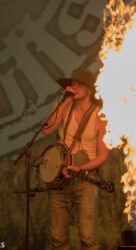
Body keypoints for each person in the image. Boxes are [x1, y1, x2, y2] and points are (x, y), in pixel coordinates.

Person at [42, 68, 109, 250]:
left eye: (79, 84)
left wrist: (82, 168)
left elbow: (103, 154)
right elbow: (47, 129)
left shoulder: (100, 116)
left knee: (87, 237)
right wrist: (66, 101)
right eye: (72, 84)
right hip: (60, 178)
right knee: (58, 238)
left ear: (89, 89)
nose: (74, 86)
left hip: (85, 179)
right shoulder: (64, 108)